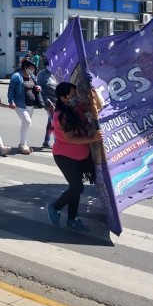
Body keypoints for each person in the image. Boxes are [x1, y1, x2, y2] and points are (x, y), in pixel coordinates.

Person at [46, 82, 103, 233]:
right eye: (72, 95)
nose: (75, 98)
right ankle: (55, 207)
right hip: (65, 157)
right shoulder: (61, 116)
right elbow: (70, 138)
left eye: (75, 94)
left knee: (75, 188)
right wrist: (92, 139)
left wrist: (94, 97)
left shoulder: (75, 108)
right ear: (63, 98)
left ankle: (72, 219)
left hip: (80, 156)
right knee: (77, 187)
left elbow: (92, 108)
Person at [7, 58, 41, 155]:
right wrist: (11, 101)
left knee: (26, 124)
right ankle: (23, 144)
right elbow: (11, 90)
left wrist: (39, 88)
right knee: (27, 122)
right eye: (31, 68)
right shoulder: (16, 76)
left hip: (30, 105)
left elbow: (37, 85)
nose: (33, 69)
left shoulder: (32, 76)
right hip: (20, 104)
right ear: (25, 67)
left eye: (34, 68)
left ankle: (23, 143)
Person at [36, 59, 59, 150]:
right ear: (46, 65)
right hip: (49, 103)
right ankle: (58, 143)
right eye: (50, 64)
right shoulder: (42, 75)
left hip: (58, 102)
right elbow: (41, 90)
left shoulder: (55, 73)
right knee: (56, 123)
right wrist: (47, 100)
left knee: (51, 123)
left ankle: (46, 141)